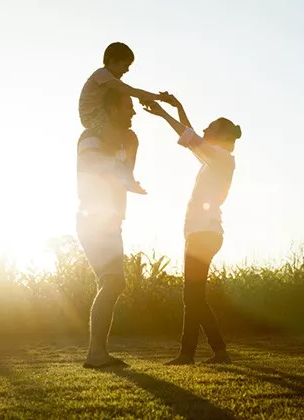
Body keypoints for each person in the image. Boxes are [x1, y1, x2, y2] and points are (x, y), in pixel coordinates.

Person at [143, 95, 242, 365]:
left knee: (192, 297)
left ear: (220, 135)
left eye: (210, 127)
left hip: (204, 233)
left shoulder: (221, 158)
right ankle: (216, 351)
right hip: (202, 233)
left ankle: (190, 353)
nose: (205, 130)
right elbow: (192, 139)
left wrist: (164, 114)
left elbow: (191, 137)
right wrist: (177, 108)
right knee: (194, 297)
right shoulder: (214, 159)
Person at [76, 89, 140, 369]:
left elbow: (126, 174)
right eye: (129, 106)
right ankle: (96, 354)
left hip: (110, 219)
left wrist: (129, 155)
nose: (134, 112)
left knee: (112, 282)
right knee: (113, 281)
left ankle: (97, 353)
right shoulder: (91, 136)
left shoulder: (126, 139)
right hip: (95, 217)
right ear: (112, 109)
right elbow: (93, 168)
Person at [79, 42, 164, 195]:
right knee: (118, 140)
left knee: (129, 138)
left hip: (100, 115)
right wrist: (159, 97)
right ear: (112, 61)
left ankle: (127, 175)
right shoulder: (102, 75)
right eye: (125, 65)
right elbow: (130, 90)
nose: (127, 70)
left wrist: (145, 98)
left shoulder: (109, 79)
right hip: (93, 115)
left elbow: (129, 92)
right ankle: (121, 175)